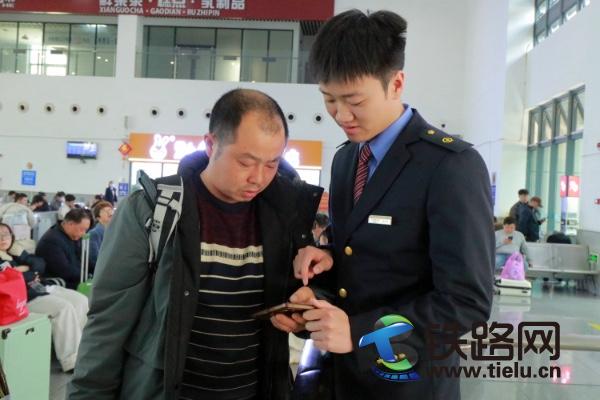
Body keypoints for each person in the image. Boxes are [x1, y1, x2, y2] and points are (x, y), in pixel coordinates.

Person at [273, 10, 494, 400]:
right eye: (329, 99)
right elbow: (359, 260)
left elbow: (466, 303)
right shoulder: (346, 160)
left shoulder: (449, 166)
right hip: (342, 380)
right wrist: (321, 280)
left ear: (396, 83)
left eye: (354, 100)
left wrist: (361, 334)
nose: (341, 115)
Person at [67, 89, 322, 400]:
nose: (258, 177)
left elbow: (308, 297)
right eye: (245, 162)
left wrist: (306, 309)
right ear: (211, 145)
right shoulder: (154, 210)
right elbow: (109, 320)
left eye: (272, 164)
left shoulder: (284, 214)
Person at [0, 223, 88, 372]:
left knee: (81, 300)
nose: (3, 238)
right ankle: (71, 361)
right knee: (63, 308)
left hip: (42, 287)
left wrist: (23, 265)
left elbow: (40, 263)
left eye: (6, 234)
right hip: (25, 297)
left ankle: (82, 350)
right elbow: (13, 280)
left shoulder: (16, 252)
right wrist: (29, 272)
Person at [36, 208, 92, 289]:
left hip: (77, 279)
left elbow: (85, 259)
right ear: (70, 224)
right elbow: (65, 271)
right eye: (82, 229)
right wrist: (87, 276)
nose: (84, 233)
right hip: (62, 285)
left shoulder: (73, 236)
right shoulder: (52, 241)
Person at [88, 201, 113, 266]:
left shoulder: (114, 231)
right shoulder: (94, 233)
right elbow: (94, 258)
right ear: (98, 217)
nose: (110, 212)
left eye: (110, 210)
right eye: (105, 211)